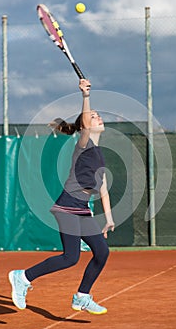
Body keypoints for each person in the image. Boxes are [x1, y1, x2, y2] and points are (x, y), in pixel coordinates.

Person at [8, 79, 115, 315]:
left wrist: (108, 218)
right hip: (67, 205)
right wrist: (86, 96)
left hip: (83, 208)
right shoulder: (84, 143)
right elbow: (85, 124)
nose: (98, 118)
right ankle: (22, 277)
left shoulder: (99, 155)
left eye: (98, 115)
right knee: (70, 257)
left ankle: (82, 296)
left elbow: (104, 188)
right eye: (94, 116)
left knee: (102, 251)